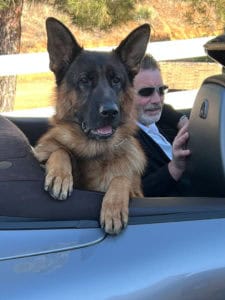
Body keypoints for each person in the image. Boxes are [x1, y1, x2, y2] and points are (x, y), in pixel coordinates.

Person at [134, 54, 191, 197]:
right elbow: (135, 194)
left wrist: (183, 120)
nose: (157, 99)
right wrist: (175, 168)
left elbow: (164, 109)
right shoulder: (120, 143)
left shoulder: (158, 119)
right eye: (146, 92)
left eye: (161, 90)